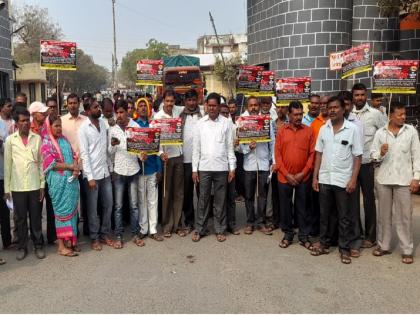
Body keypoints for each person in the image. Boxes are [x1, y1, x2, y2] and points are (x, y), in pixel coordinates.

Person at [311, 96, 363, 264]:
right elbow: (319, 154)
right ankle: (324, 244)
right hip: (325, 178)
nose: (332, 110)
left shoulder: (352, 129)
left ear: (343, 109)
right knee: (324, 214)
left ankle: (344, 248)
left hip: (343, 180)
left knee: (344, 216)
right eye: (329, 107)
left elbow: (357, 157)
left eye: (335, 107)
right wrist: (315, 177)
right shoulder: (323, 129)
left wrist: (353, 179)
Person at [370, 102, 420, 264]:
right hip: (384, 179)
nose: (403, 117)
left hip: (404, 180)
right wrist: (380, 152)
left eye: (404, 114)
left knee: (405, 216)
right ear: (391, 115)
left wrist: (416, 177)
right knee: (384, 215)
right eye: (399, 114)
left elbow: (416, 156)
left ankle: (407, 249)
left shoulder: (410, 131)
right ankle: (383, 245)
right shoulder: (380, 133)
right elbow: (372, 155)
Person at [192, 92, 236, 242]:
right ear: (206, 106)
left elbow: (230, 147)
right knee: (203, 200)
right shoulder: (200, 124)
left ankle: (220, 229)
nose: (211, 108)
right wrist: (194, 169)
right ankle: (200, 229)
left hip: (222, 168)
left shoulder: (226, 123)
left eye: (214, 105)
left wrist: (232, 167)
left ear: (219, 106)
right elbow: (196, 149)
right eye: (209, 105)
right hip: (204, 168)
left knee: (220, 201)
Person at [4, 109, 46, 260]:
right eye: (22, 121)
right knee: (20, 219)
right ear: (16, 123)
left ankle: (38, 245)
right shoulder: (10, 140)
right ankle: (22, 246)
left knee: (35, 217)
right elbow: (8, 165)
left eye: (27, 120)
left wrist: (42, 184)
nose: (25, 123)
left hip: (34, 185)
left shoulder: (37, 138)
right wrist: (7, 189)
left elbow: (41, 163)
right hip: (18, 187)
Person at [275, 101, 315, 249]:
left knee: (303, 207)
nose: (299, 117)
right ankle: (288, 234)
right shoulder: (281, 131)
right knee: (285, 207)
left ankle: (304, 236)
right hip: (284, 177)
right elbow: (277, 155)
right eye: (296, 114)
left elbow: (312, 155)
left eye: (300, 114)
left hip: (303, 177)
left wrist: (303, 173)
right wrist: (287, 174)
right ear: (289, 115)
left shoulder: (308, 131)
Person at [352, 83, 387, 248]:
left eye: (362, 95)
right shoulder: (348, 114)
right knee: (352, 200)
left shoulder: (375, 114)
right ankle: (356, 233)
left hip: (367, 164)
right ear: (353, 97)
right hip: (351, 165)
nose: (359, 98)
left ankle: (370, 236)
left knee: (368, 201)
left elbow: (385, 133)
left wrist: (380, 156)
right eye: (356, 95)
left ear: (366, 96)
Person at [41, 115, 80, 257]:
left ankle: (71, 242)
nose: (59, 128)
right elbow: (51, 164)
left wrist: (75, 166)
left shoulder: (64, 139)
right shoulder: (46, 143)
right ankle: (61, 246)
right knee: (61, 215)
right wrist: (70, 166)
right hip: (58, 185)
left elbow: (73, 155)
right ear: (49, 127)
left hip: (70, 183)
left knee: (72, 214)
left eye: (60, 125)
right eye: (56, 125)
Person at [78, 99, 114, 251]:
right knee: (92, 209)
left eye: (98, 106)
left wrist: (110, 169)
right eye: (95, 107)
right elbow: (84, 154)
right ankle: (94, 238)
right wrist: (90, 177)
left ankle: (104, 233)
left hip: (105, 172)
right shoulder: (83, 129)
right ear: (87, 111)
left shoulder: (104, 124)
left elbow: (106, 150)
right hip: (91, 175)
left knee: (109, 204)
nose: (99, 109)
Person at [108, 100, 145, 248]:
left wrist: (142, 155)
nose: (120, 115)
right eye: (117, 112)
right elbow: (110, 153)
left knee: (134, 205)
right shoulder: (113, 129)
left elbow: (140, 150)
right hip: (119, 171)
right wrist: (113, 145)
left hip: (133, 169)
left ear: (127, 112)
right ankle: (118, 236)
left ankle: (135, 234)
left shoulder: (135, 127)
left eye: (122, 112)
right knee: (118, 206)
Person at [240, 96, 273, 235]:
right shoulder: (242, 121)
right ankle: (249, 222)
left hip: (263, 164)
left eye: (255, 105)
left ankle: (260, 222)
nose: (253, 107)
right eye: (251, 105)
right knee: (248, 195)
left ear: (259, 106)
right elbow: (240, 146)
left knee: (262, 195)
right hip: (249, 165)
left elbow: (273, 142)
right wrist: (249, 147)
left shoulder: (266, 121)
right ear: (247, 107)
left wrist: (273, 161)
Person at [155, 90, 184, 238]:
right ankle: (166, 225)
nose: (170, 104)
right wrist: (160, 154)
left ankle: (178, 224)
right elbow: (155, 138)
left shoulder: (178, 112)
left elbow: (195, 106)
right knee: (166, 193)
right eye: (167, 101)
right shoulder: (158, 117)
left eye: (172, 101)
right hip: (166, 158)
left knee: (178, 192)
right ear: (163, 101)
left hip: (178, 155)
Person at [135, 98, 163, 241]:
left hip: (152, 168)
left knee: (153, 200)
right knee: (142, 201)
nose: (143, 108)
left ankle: (153, 229)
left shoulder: (153, 125)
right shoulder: (133, 126)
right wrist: (140, 156)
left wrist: (159, 169)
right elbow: (131, 148)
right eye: (140, 106)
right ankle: (143, 228)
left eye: (145, 106)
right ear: (136, 110)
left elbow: (158, 148)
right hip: (140, 170)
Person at [61, 93, 88, 235]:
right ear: (67, 104)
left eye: (75, 103)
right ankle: (74, 230)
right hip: (69, 167)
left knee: (86, 198)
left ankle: (88, 229)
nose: (72, 105)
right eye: (70, 103)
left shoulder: (86, 120)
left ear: (79, 103)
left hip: (85, 166)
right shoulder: (62, 121)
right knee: (71, 201)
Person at [180, 89, 203, 233]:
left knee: (203, 192)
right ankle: (189, 221)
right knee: (187, 193)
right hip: (186, 160)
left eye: (194, 100)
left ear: (197, 100)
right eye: (189, 100)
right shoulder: (180, 115)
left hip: (202, 160)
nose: (192, 102)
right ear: (185, 102)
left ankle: (202, 221)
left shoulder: (203, 114)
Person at [219, 103, 240, 235]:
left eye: (227, 113)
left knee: (231, 197)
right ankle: (220, 224)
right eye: (223, 113)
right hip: (218, 167)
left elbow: (237, 149)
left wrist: (236, 144)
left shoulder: (233, 127)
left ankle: (231, 224)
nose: (225, 116)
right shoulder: (214, 126)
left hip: (230, 166)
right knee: (220, 198)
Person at [0, 116, 11, 254]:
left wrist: (1, 145)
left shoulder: (2, 124)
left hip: (2, 174)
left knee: (4, 211)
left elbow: (7, 149)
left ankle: (7, 242)